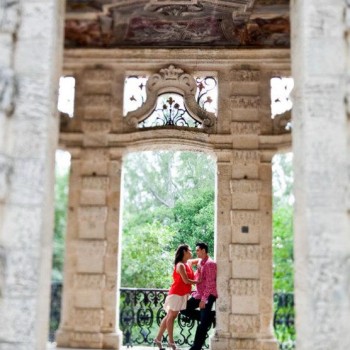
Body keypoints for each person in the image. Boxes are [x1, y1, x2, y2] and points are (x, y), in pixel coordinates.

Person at [154, 244, 198, 350]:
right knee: (171, 317)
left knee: (170, 316)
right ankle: (171, 342)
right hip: (176, 294)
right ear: (184, 252)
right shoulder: (180, 265)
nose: (192, 252)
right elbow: (186, 281)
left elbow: (200, 259)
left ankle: (158, 339)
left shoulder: (188, 262)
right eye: (190, 250)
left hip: (182, 294)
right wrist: (199, 282)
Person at [180, 242, 218, 350]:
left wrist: (204, 300)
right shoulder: (201, 261)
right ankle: (210, 317)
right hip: (199, 294)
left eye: (197, 250)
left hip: (208, 295)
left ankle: (195, 347)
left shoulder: (210, 264)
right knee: (183, 308)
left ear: (203, 251)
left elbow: (211, 285)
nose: (196, 252)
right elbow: (199, 277)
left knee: (202, 325)